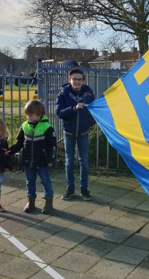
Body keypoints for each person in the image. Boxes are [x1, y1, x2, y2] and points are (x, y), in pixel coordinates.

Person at [7, 100, 57, 214]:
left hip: (43, 160)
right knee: (30, 181)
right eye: (27, 115)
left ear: (39, 115)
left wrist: (51, 159)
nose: (28, 117)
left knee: (45, 181)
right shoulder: (24, 126)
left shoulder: (47, 127)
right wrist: (10, 151)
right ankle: (31, 202)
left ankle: (48, 202)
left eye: (31, 115)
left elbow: (52, 146)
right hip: (28, 160)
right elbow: (19, 142)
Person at [56, 68, 95, 201]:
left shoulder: (89, 94)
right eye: (74, 79)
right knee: (69, 162)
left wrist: (87, 124)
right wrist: (74, 108)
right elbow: (59, 113)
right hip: (69, 132)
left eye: (80, 79)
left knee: (84, 162)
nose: (77, 81)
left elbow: (94, 112)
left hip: (83, 132)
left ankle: (84, 190)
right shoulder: (63, 94)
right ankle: (70, 189)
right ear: (69, 80)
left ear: (83, 80)